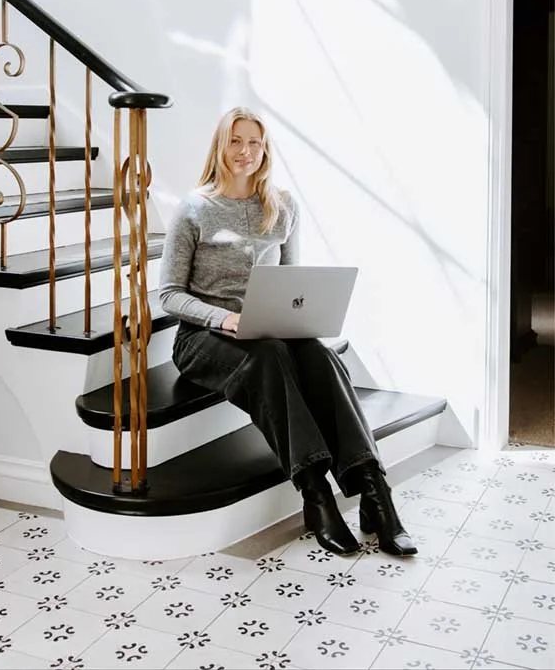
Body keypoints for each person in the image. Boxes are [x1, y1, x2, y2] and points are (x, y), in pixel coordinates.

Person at [159, 106, 416, 558]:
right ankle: (316, 496)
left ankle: (375, 493)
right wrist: (225, 319)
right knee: (269, 357)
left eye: (254, 143)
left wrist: (299, 317)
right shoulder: (195, 208)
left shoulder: (281, 206)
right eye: (236, 141)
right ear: (220, 146)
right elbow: (168, 295)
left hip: (267, 329)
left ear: (265, 150)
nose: (245, 151)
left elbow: (292, 282)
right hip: (202, 337)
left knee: (319, 356)